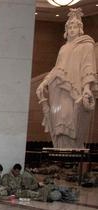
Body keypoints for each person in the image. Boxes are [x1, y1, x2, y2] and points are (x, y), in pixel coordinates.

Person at [37, 8, 98, 149]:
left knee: (71, 117)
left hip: (74, 88)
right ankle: (60, 147)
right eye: (69, 27)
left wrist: (87, 87)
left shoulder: (86, 45)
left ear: (80, 29)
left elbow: (88, 66)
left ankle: (74, 148)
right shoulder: (63, 49)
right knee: (59, 118)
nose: (72, 29)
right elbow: (57, 68)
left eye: (75, 26)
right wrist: (44, 82)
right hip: (58, 88)